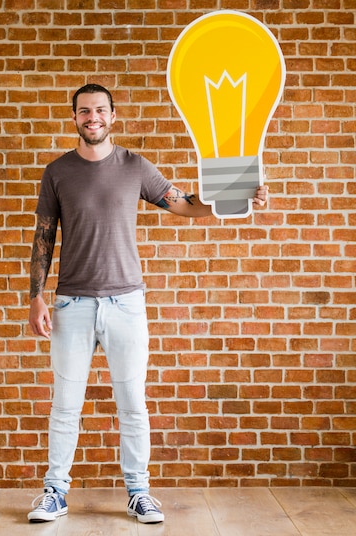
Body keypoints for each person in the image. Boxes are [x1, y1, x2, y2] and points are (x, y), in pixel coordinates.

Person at [27, 83, 269, 524]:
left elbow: (184, 205)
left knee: (132, 403)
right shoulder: (57, 172)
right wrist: (35, 297)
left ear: (113, 116)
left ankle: (139, 492)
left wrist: (239, 197)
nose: (92, 117)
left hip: (126, 304)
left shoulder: (135, 166)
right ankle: (54, 492)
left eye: (100, 110)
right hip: (71, 304)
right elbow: (44, 236)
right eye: (84, 111)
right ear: (74, 117)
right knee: (65, 404)